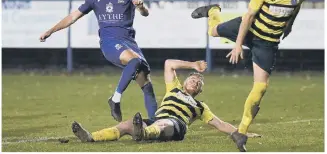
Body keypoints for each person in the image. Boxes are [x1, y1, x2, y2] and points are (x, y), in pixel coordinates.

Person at [191, 0, 309, 151]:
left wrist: (290, 26)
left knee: (261, 87)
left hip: (267, 43)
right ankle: (213, 11)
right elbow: (248, 17)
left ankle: (241, 132)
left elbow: (294, 11)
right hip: (249, 30)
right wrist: (238, 44)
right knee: (212, 31)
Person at [39, 0, 157, 123]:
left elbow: (145, 13)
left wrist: (141, 6)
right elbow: (73, 17)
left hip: (130, 42)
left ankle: (157, 124)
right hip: (110, 42)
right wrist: (51, 30)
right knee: (135, 61)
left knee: (147, 85)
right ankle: (115, 99)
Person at [71, 59, 260, 147]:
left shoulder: (200, 107)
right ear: (185, 81)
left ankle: (143, 132)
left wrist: (241, 132)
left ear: (199, 90)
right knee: (126, 124)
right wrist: (193, 65)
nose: (195, 81)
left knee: (164, 123)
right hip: (158, 119)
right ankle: (91, 137)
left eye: (198, 82)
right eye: (193, 78)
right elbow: (169, 63)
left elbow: (220, 124)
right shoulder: (174, 88)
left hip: (176, 126)